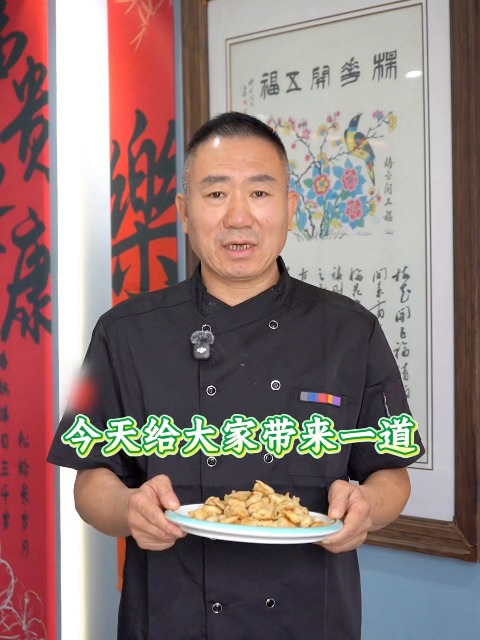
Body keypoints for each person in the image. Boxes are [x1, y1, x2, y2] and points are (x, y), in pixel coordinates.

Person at [48, 111, 424, 640]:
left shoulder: (350, 331)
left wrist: (367, 508)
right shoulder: (123, 332)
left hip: (308, 617)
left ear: (290, 209)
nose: (239, 217)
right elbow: (89, 482)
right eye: (217, 193)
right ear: (185, 212)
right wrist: (128, 510)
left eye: (260, 193)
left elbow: (391, 473)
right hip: (171, 617)